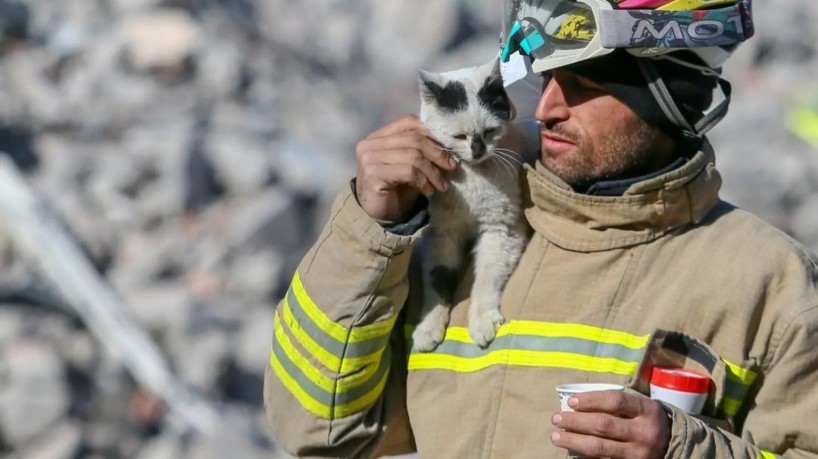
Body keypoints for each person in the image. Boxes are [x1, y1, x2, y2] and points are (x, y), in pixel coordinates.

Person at [263, 0, 818, 457]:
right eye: (547, 79)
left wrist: (681, 448)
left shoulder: (769, 283)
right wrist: (372, 227)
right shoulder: (451, 233)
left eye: (581, 85)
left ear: (669, 98)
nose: (546, 108)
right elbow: (317, 429)